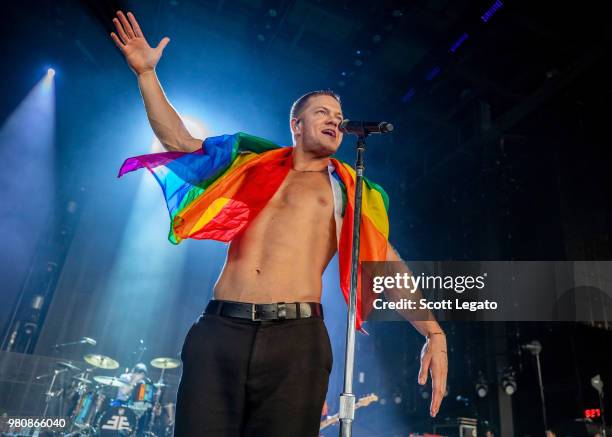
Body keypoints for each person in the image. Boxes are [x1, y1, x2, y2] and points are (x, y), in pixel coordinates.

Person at [110, 9, 448, 437]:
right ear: (297, 124)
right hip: (221, 330)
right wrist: (145, 75)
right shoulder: (251, 163)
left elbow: (387, 263)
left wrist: (433, 331)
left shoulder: (347, 188)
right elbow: (177, 140)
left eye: (338, 116)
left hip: (297, 338)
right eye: (323, 112)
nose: (334, 120)